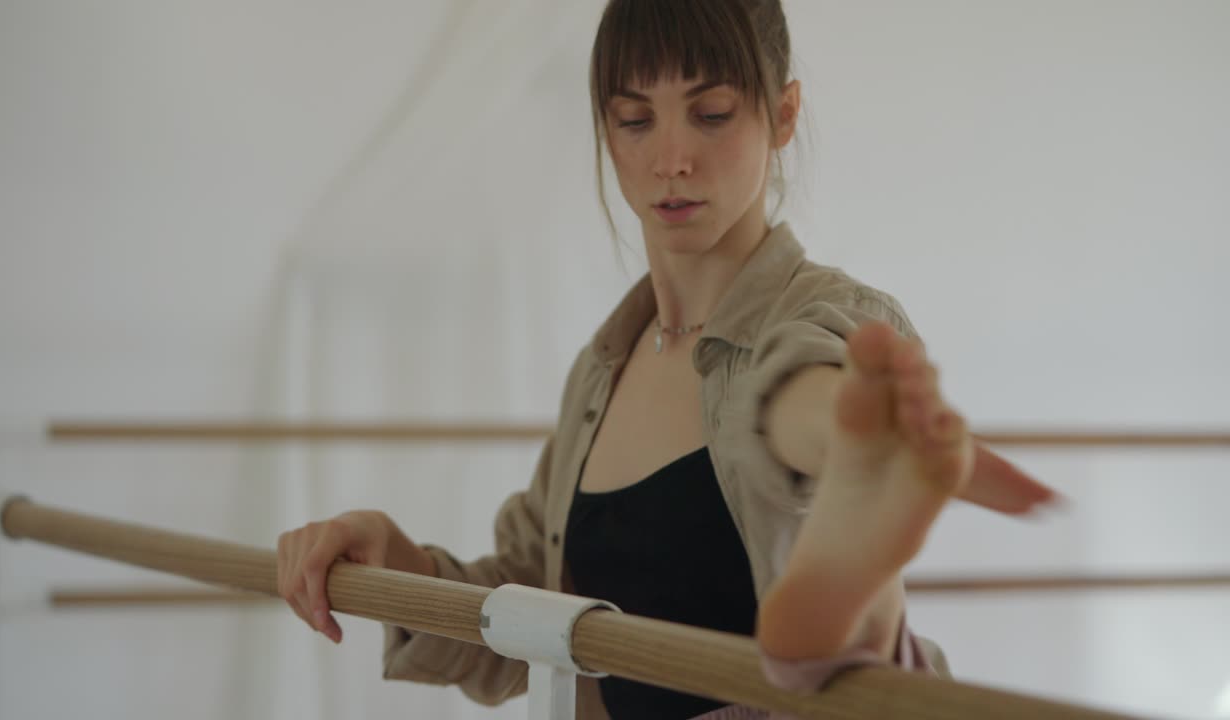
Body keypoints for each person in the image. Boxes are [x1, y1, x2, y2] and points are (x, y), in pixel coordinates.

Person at [275, 1, 1057, 718]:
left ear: (783, 115)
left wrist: (849, 434)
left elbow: (801, 382)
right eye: (635, 120)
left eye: (711, 113)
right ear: (605, 132)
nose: (672, 158)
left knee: (797, 429)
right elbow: (526, 608)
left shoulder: (829, 318)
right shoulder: (601, 371)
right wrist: (388, 554)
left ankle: (851, 591)